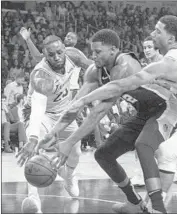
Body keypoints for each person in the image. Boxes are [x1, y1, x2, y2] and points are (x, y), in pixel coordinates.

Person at [59, 15, 177, 213]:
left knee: (157, 151)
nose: (152, 34)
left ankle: (156, 208)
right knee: (105, 154)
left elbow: (124, 85)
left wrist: (83, 101)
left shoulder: (164, 62)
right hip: (151, 112)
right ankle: (137, 204)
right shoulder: (163, 61)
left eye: (158, 31)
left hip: (167, 111)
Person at [15, 35, 92, 213]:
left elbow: (93, 66)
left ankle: (69, 177)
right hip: (43, 115)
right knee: (34, 149)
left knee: (76, 153)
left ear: (65, 49)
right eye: (51, 54)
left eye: (59, 52)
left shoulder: (73, 56)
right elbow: (38, 109)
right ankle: (33, 198)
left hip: (65, 113)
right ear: (44, 54)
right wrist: (33, 138)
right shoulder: (41, 74)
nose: (57, 57)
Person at [131, 35, 163, 187]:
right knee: (141, 142)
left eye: (150, 47)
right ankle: (139, 173)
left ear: (157, 47)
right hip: (149, 108)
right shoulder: (144, 67)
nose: (147, 50)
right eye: (144, 48)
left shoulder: (165, 64)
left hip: (167, 108)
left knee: (163, 145)